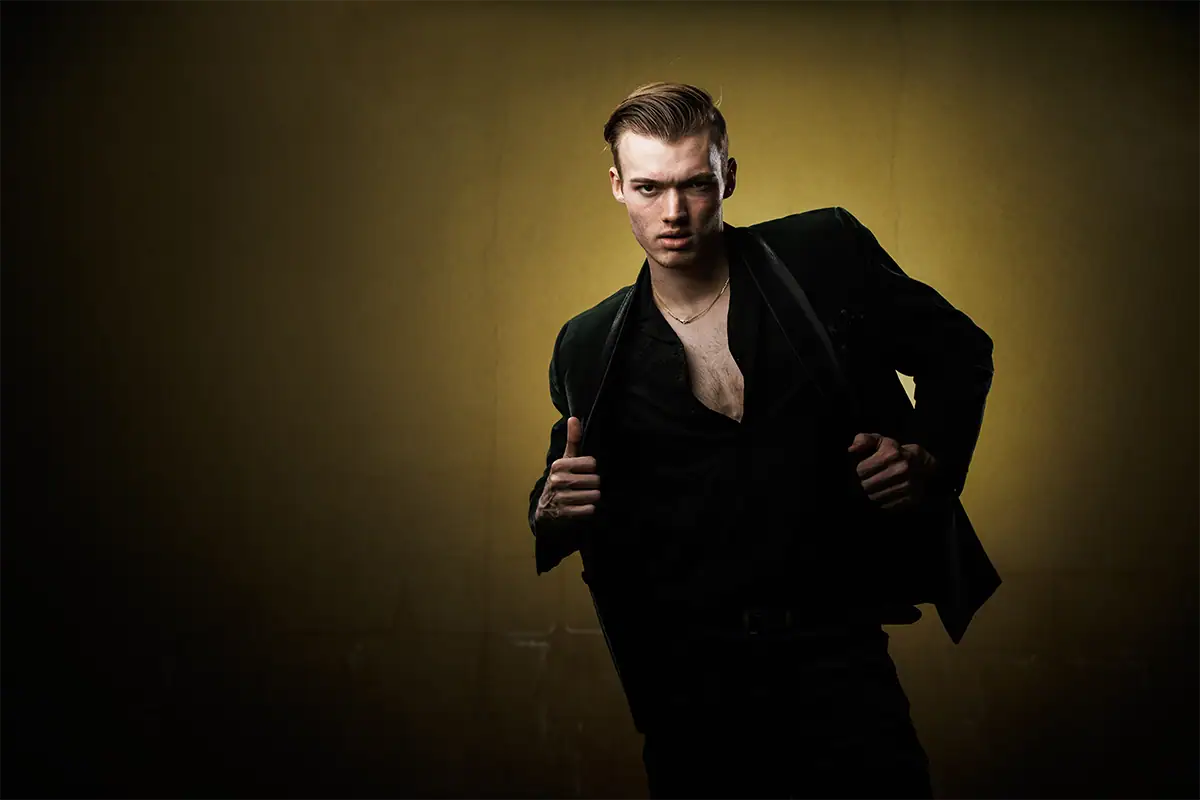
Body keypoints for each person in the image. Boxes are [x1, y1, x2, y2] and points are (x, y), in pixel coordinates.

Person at [527, 82, 999, 799]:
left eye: (695, 183)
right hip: (690, 689)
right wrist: (549, 510)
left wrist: (927, 457)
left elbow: (959, 350)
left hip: (838, 658)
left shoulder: (821, 257)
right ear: (618, 186)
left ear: (728, 177)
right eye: (649, 187)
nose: (673, 212)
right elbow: (561, 484)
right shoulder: (589, 344)